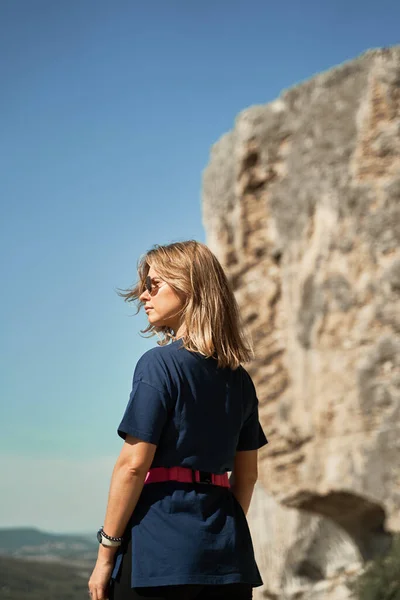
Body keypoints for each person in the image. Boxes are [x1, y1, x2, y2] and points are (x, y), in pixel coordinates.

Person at [88, 240, 268, 600]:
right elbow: (246, 476)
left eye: (154, 285)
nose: (143, 295)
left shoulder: (159, 366)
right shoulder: (239, 379)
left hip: (161, 554)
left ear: (188, 287)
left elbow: (132, 467)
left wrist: (106, 554)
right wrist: (218, 535)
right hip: (228, 559)